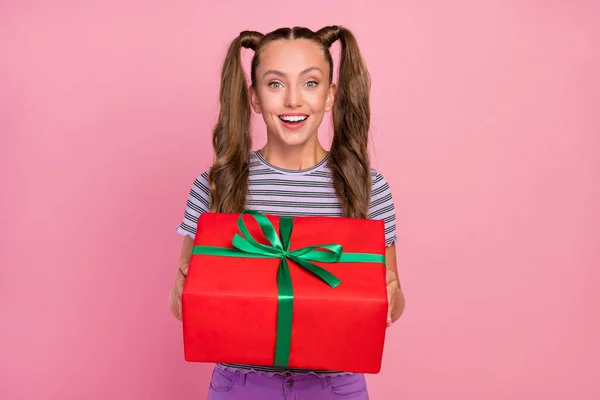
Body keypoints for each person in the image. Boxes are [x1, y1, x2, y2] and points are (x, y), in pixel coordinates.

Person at [169, 25, 405, 400]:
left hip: (335, 386)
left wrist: (393, 299)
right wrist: (184, 291)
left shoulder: (368, 188)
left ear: (330, 96)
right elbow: (182, 302)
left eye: (310, 83)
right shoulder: (217, 185)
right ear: (255, 98)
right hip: (240, 385)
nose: (293, 100)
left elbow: (390, 295)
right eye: (275, 84)